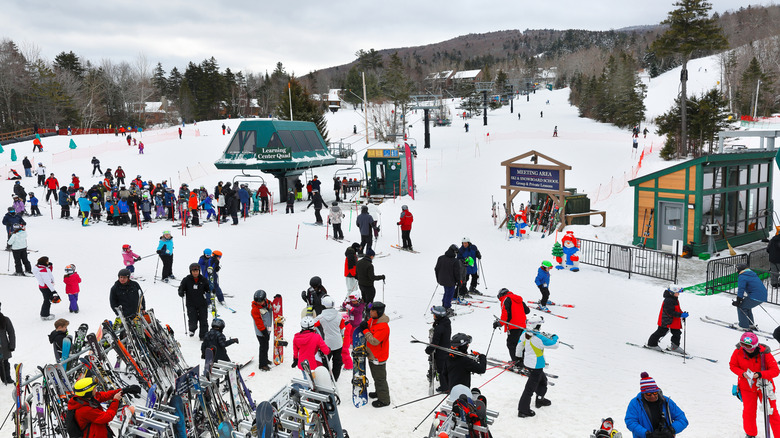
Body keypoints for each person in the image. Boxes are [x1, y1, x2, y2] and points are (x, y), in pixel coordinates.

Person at [730, 331, 780, 437]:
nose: (746, 349)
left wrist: (760, 374)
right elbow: (733, 365)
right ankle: (750, 433)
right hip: (746, 386)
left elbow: (775, 371)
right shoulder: (738, 352)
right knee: (749, 412)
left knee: (772, 412)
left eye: (749, 346)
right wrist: (742, 373)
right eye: (743, 345)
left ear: (756, 345)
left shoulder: (765, 353)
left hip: (765, 387)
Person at [69, 378, 141, 437]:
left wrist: (123, 391)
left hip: (101, 432)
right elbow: (107, 417)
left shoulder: (86, 398)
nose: (96, 389)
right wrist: (115, 401)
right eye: (94, 388)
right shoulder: (84, 410)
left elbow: (104, 395)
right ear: (88, 392)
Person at [624, 372, 688, 437]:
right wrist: (647, 434)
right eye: (648, 394)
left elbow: (682, 419)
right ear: (643, 393)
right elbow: (630, 422)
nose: (652, 396)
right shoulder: (635, 403)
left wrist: (671, 430)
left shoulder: (666, 402)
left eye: (655, 393)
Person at [516, 316, 557, 418]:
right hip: (537, 365)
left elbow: (519, 346)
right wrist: (555, 336)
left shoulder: (524, 333)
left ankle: (540, 399)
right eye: (539, 325)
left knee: (543, 381)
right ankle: (523, 410)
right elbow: (554, 344)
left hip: (529, 364)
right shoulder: (538, 338)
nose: (540, 327)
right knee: (529, 388)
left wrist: (518, 357)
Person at [357, 301, 391, 407]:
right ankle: (379, 392)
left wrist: (365, 330)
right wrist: (365, 324)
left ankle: (384, 400)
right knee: (376, 377)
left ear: (379, 312)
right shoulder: (374, 320)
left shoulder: (383, 327)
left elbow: (374, 341)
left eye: (372, 310)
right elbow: (369, 326)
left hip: (378, 357)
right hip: (372, 355)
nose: (370, 312)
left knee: (380, 378)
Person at [646, 285, 689, 353]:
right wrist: (680, 315)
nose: (679, 294)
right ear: (672, 292)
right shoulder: (668, 300)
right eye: (677, 293)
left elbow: (676, 309)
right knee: (661, 331)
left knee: (677, 333)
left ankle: (674, 347)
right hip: (665, 320)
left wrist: (682, 314)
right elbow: (670, 312)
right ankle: (651, 344)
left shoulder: (674, 298)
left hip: (673, 320)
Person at [494, 288, 530, 365]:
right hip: (523, 326)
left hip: (513, 326)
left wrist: (499, 323)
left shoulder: (505, 299)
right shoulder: (518, 299)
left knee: (511, 344)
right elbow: (527, 311)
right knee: (521, 344)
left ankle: (516, 363)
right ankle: (523, 361)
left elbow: (505, 314)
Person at [179, 263, 211, 340]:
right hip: (191, 303)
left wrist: (210, 290)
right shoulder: (186, 280)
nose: (195, 273)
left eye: (197, 271)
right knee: (193, 319)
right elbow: (181, 288)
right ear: (191, 271)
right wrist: (181, 292)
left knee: (203, 319)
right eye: (193, 271)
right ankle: (192, 329)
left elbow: (207, 288)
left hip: (202, 303)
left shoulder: (203, 279)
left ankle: (203, 335)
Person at [315, 296, 344, 381]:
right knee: (337, 361)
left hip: (327, 343)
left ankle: (326, 377)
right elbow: (342, 328)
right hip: (338, 342)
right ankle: (335, 378)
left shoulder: (321, 317)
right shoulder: (339, 315)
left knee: (326, 361)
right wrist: (342, 335)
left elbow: (313, 324)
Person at [734, 263, 767, 330]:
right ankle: (750, 324)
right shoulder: (751, 274)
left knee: (741, 307)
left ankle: (743, 326)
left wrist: (738, 300)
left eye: (737, 269)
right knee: (747, 307)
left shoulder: (742, 276)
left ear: (740, 269)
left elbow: (741, 288)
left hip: (756, 296)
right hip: (762, 295)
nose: (736, 270)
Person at [426, 306, 451, 392]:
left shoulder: (439, 328)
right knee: (445, 368)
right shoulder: (446, 322)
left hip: (441, 351)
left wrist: (429, 350)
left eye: (434, 315)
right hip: (447, 347)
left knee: (441, 369)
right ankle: (447, 384)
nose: (433, 316)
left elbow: (435, 343)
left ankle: (445, 388)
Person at [435, 244, 461, 315]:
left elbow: (436, 269)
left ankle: (444, 306)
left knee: (446, 292)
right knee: (449, 294)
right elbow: (457, 273)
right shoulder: (455, 261)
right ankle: (446, 309)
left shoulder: (440, 258)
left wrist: (438, 279)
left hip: (442, 279)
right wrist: (459, 281)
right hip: (450, 281)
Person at [251, 290, 273, 371]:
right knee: (263, 347)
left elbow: (271, 305)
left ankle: (265, 359)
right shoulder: (255, 309)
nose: (259, 303)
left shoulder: (266, 303)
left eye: (260, 301)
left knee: (266, 346)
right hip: (261, 332)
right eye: (257, 301)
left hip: (268, 329)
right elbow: (259, 322)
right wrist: (264, 332)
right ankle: (262, 364)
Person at [33, 256, 58, 321]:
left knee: (47, 300)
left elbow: (48, 273)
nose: (48, 262)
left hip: (43, 286)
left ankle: (45, 314)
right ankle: (45, 315)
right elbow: (47, 281)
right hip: (46, 287)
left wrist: (49, 266)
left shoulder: (38, 267)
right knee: (47, 301)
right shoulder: (43, 271)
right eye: (47, 261)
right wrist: (53, 291)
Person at [0, 303, 16, 384]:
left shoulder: (5, 319)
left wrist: (12, 345)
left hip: (3, 347)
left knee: (5, 363)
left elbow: (11, 333)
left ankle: (7, 378)